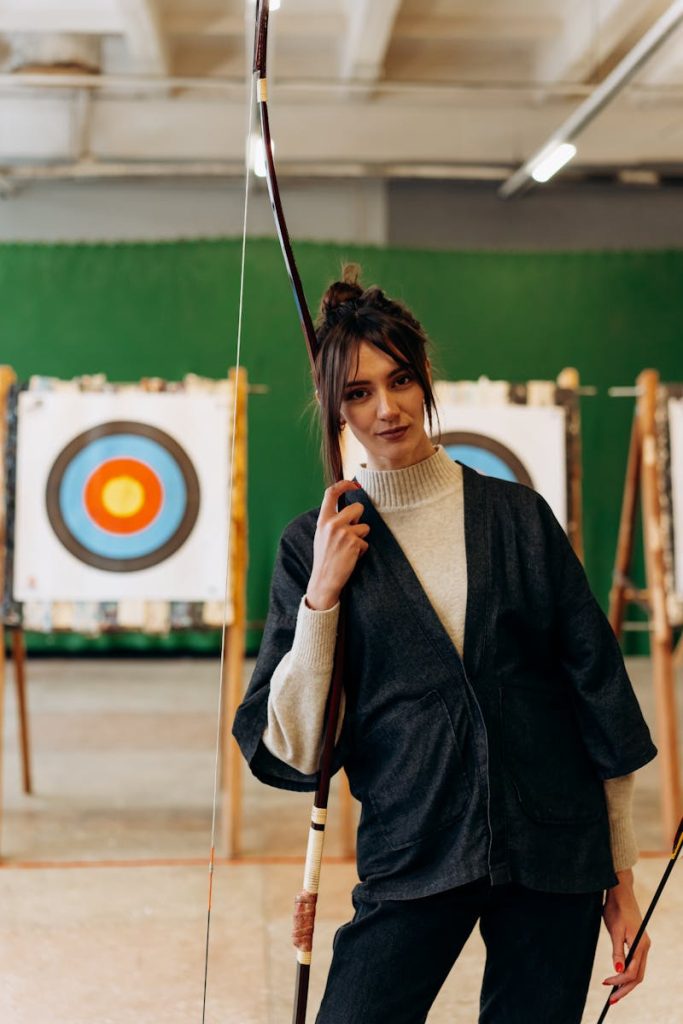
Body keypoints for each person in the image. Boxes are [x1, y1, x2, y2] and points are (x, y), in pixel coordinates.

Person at [232, 265, 658, 1024]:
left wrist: (618, 877)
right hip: (412, 842)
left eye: (398, 380)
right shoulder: (314, 543)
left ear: (424, 374)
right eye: (357, 393)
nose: (387, 409)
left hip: (552, 847)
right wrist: (321, 596)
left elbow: (597, 693)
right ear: (334, 408)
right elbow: (292, 744)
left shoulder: (519, 517)